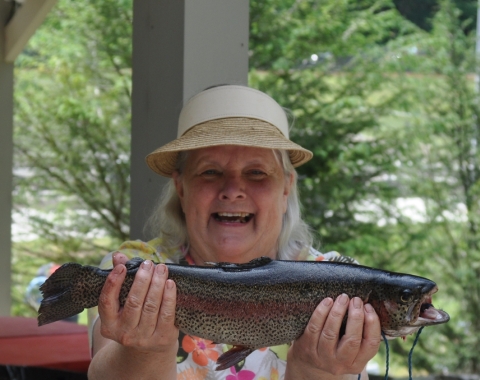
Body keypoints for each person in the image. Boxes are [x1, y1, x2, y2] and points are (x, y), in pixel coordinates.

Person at [87, 85, 382, 380]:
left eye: (256, 173)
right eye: (210, 172)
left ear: (286, 187)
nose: (232, 191)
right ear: (181, 188)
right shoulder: (136, 269)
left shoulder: (339, 283)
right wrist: (143, 355)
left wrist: (314, 373)